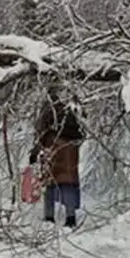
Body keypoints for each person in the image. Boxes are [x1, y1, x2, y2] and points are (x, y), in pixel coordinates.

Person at [29, 86, 84, 228]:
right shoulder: (73, 103)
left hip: (53, 146)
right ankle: (70, 217)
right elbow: (83, 125)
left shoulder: (48, 107)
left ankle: (49, 217)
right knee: (69, 182)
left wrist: (35, 151)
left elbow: (41, 130)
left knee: (50, 184)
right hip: (71, 148)